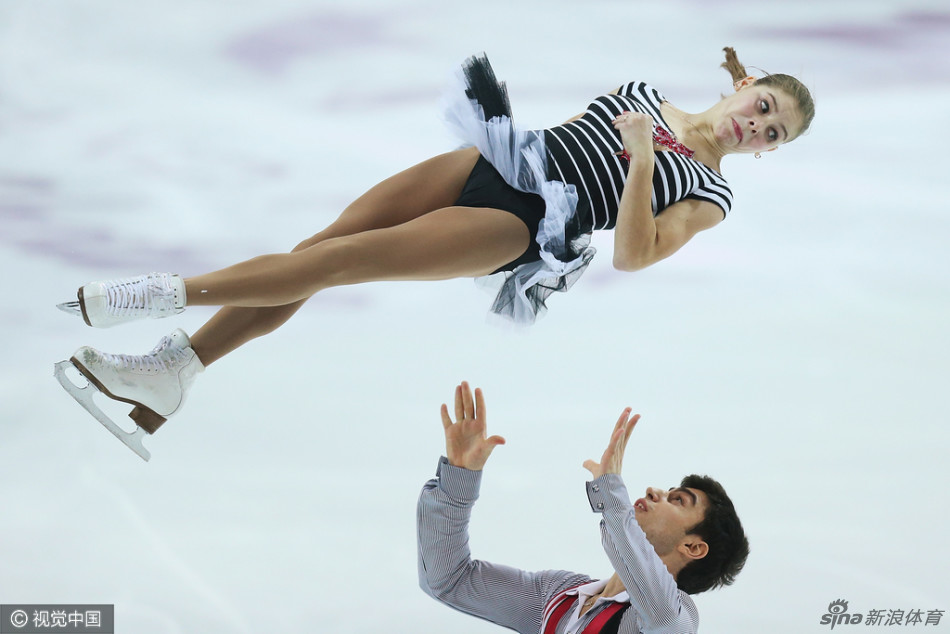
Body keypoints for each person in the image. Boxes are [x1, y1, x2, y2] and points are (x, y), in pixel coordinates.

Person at [56, 48, 814, 438]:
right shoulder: (649, 92)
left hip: (524, 224)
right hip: (498, 156)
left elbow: (635, 253)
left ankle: (155, 295)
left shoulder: (711, 194)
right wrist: (649, 132)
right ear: (748, 86)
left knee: (337, 263)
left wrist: (647, 158)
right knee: (317, 251)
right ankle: (173, 372)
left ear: (768, 151)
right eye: (765, 105)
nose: (758, 124)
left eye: (772, 132)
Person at [417, 382, 749, 634]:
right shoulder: (559, 595)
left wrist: (611, 491)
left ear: (692, 547)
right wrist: (458, 482)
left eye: (678, 500)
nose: (655, 491)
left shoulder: (674, 619)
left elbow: (653, 597)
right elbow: (449, 580)